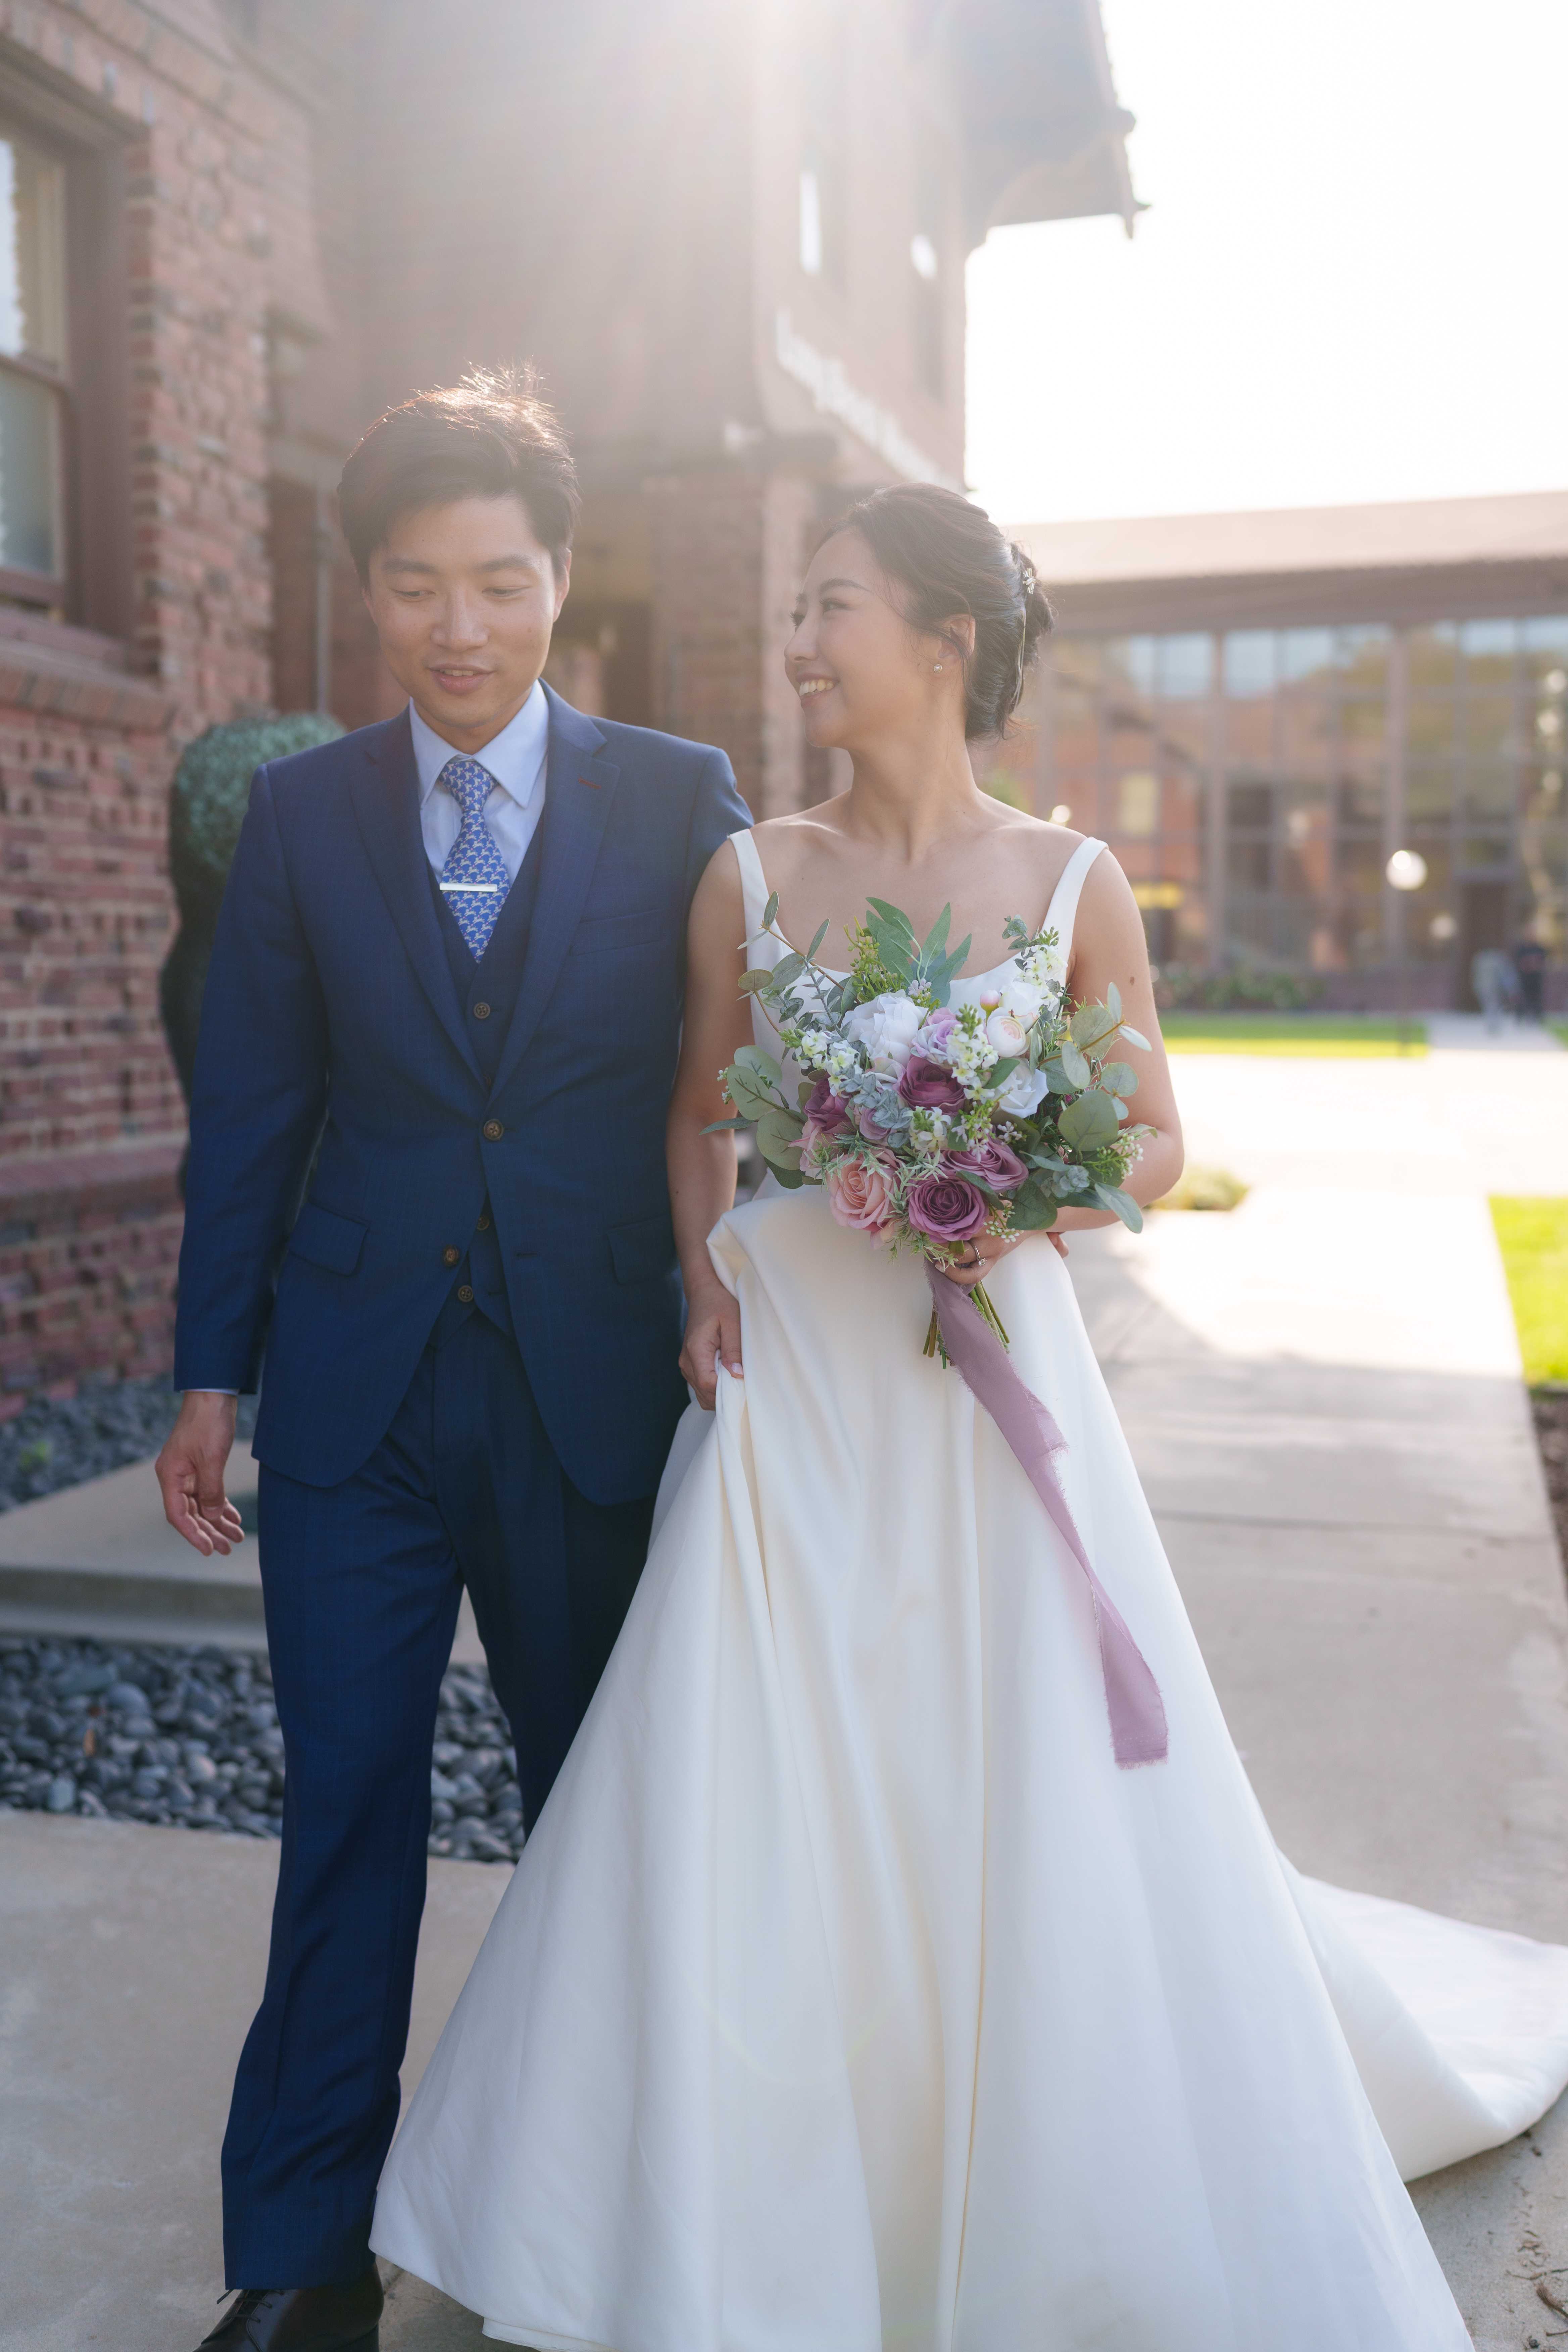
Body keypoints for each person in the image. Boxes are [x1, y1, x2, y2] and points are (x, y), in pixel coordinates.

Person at [372, 485, 1568, 2349]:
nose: (796, 646)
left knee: (1015, 1762)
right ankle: (736, 2222)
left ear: (942, 640)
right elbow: (699, 1110)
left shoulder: (1071, 882)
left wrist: (1029, 1184)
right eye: (793, 610)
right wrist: (704, 1288)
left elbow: (1158, 1130)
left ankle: (1038, 2195)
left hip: (996, 1375)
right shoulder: (748, 874)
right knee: (761, 1780)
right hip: (798, 1396)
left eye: (828, 607)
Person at [155, 367, 749, 2352]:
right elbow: (251, 1102)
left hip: (599, 1378)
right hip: (354, 1390)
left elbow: (736, 1087)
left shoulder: (680, 797)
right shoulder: (307, 816)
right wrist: (207, 1370)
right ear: (369, 598)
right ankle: (303, 2254)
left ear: (561, 581)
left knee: (599, 1813)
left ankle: (584, 2235)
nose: (462, 627)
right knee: (343, 1811)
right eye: (418, 586)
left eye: (500, 581)